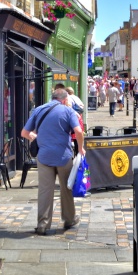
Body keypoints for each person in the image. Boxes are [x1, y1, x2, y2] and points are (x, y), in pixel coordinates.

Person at [21, 88, 86, 235]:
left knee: (45, 191)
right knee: (66, 189)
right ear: (64, 99)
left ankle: (42, 224)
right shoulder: (68, 111)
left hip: (43, 157)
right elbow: (79, 131)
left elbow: (24, 133)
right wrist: (81, 149)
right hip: (63, 156)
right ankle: (69, 219)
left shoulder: (38, 110)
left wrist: (35, 138)